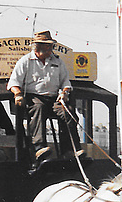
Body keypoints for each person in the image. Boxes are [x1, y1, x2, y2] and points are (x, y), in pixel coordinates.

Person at [7, 30, 82, 164]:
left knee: (69, 113)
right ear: (37, 46)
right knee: (38, 108)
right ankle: (39, 148)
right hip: (34, 98)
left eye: (50, 46)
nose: (50, 49)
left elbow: (65, 82)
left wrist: (65, 93)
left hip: (53, 99)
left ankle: (70, 150)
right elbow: (14, 82)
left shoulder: (58, 62)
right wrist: (18, 94)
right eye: (47, 46)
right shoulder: (25, 61)